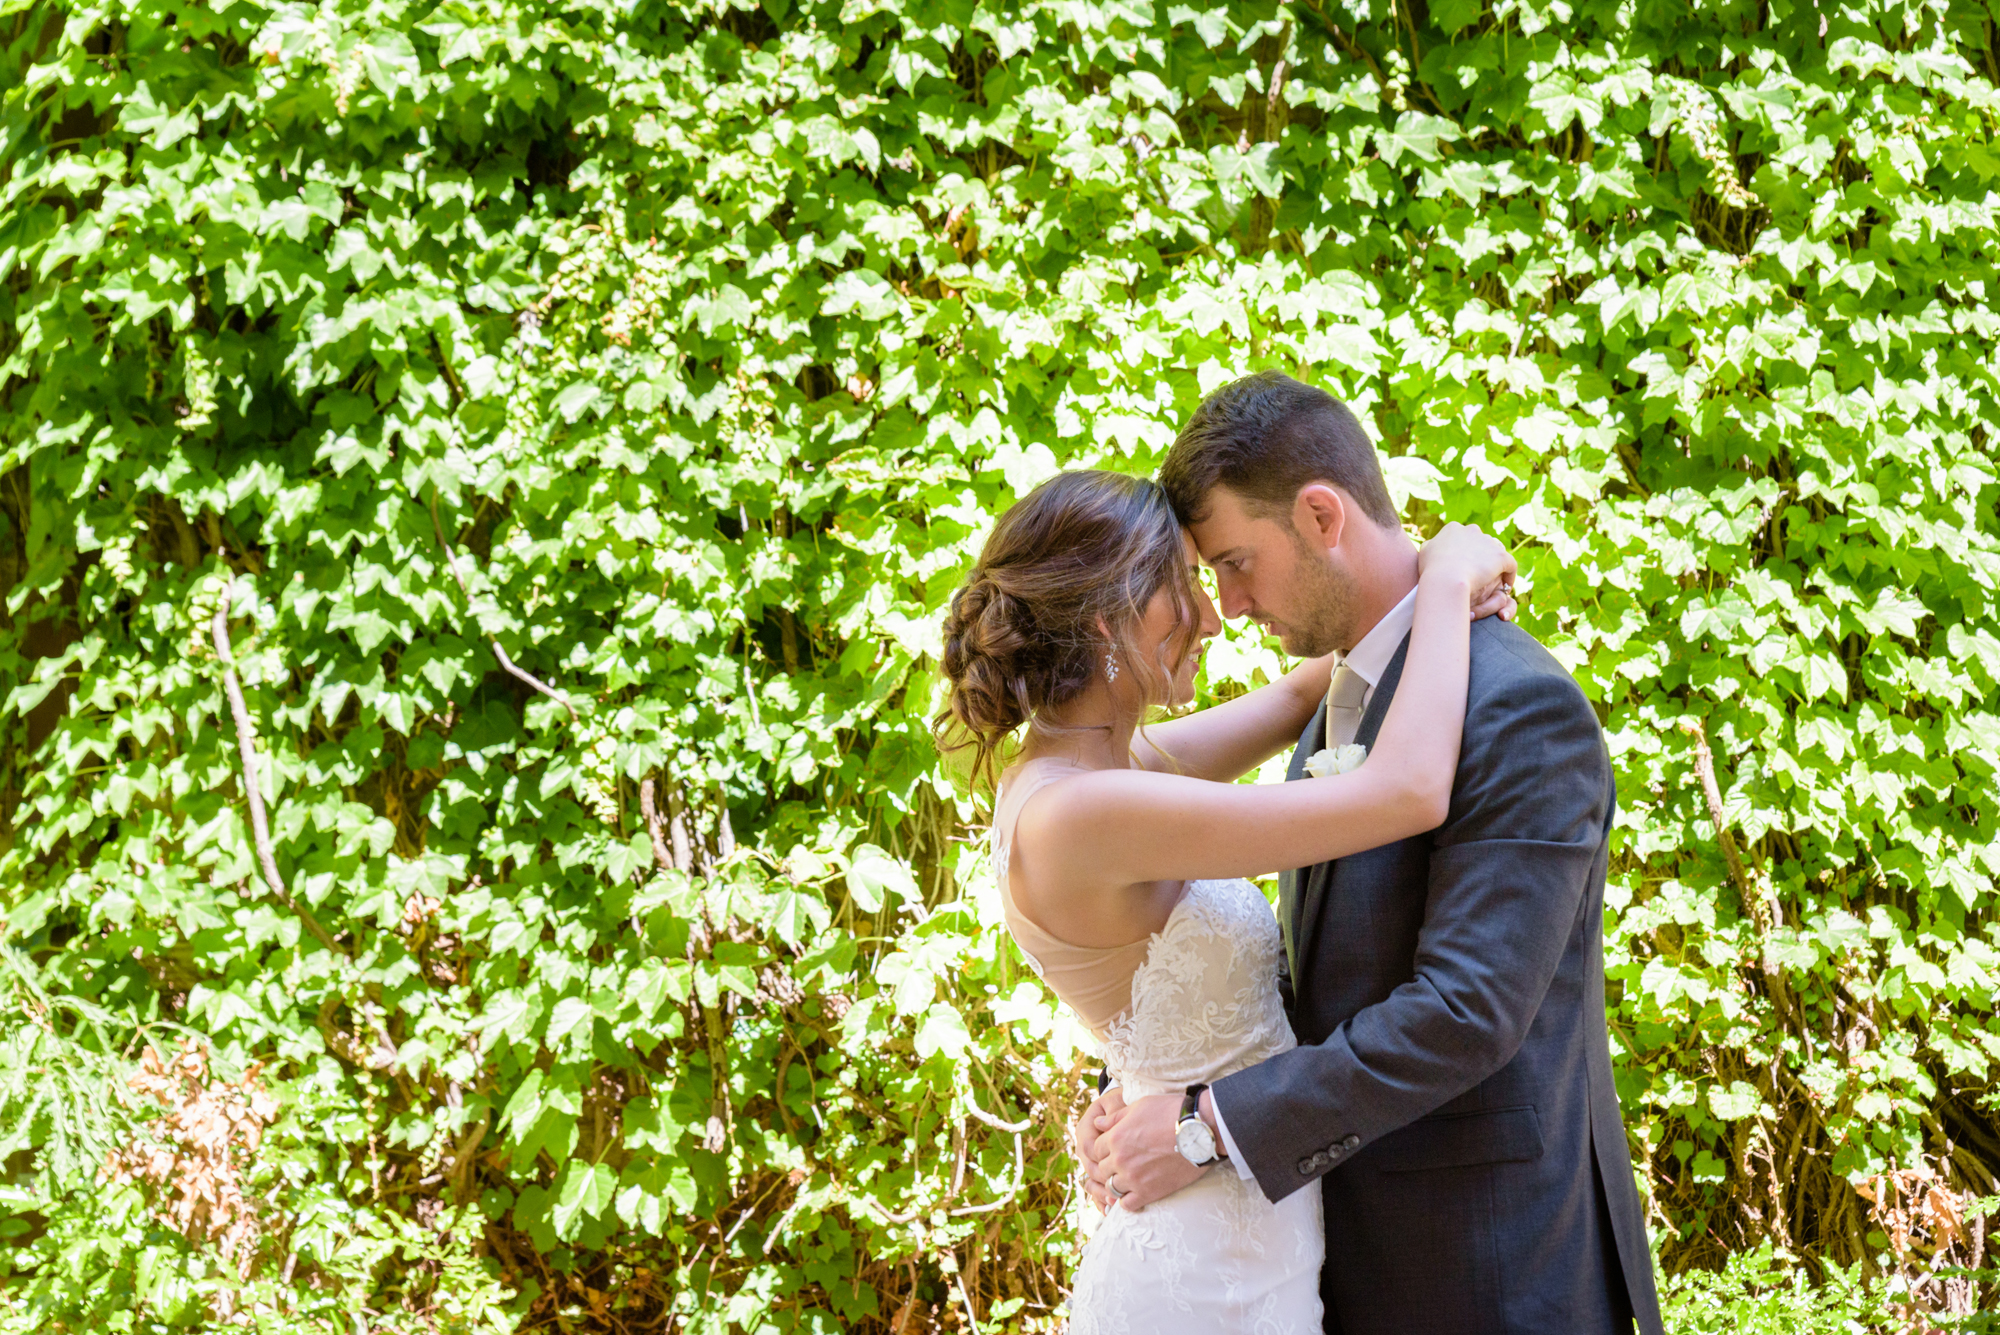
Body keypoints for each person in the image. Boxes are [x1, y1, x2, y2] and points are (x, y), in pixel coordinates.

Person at [1074, 372, 1666, 1334]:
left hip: (1488, 1271)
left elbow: (1467, 1009)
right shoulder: (1341, 698)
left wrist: (1204, 1123)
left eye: (1232, 562)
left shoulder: (1515, 705)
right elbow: (1293, 980)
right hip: (1347, 1257)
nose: (1223, 606)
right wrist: (1144, 1086)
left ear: (1320, 515)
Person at [935, 465, 1517, 1332]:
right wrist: (1443, 584)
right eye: (1182, 591)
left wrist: (1402, 565)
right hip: (1199, 1276)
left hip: (1244, 1233)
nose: (1214, 615)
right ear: (1108, 619)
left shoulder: (1101, 766)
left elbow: (1296, 693)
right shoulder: (1089, 809)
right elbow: (1406, 791)